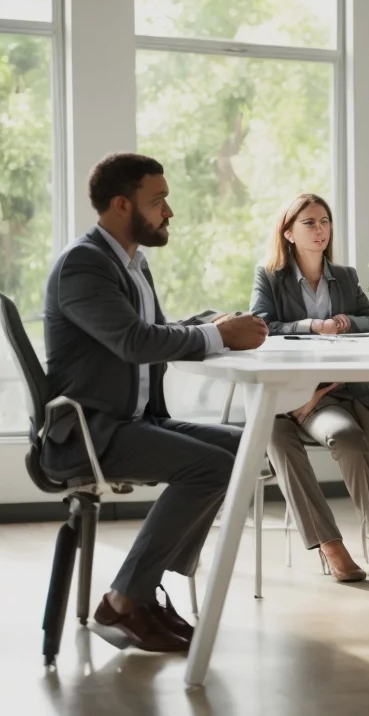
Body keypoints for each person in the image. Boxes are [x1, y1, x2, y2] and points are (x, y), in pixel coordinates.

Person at [43, 153, 268, 652]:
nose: (169, 212)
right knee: (211, 466)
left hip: (131, 421)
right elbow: (135, 343)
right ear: (122, 205)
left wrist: (214, 326)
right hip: (90, 432)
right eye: (158, 200)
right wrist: (215, 334)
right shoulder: (83, 264)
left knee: (243, 448)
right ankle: (123, 601)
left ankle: (140, 594)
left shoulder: (130, 261)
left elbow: (151, 332)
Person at [250, 193, 369, 582]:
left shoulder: (345, 276)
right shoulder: (269, 276)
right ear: (289, 233)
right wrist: (312, 326)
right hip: (301, 393)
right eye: (310, 223)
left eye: (325, 221)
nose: (320, 230)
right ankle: (340, 544)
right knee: (342, 435)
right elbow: (260, 324)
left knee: (361, 427)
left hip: (347, 389)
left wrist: (347, 321)